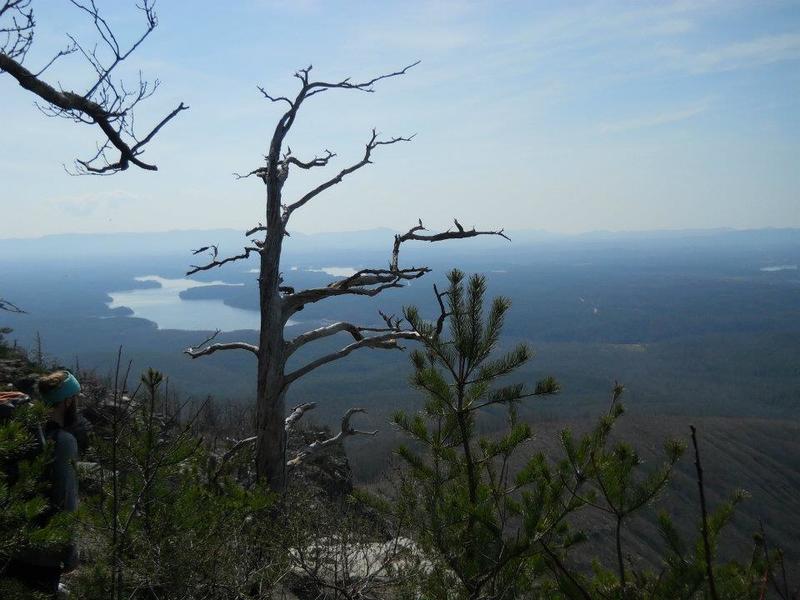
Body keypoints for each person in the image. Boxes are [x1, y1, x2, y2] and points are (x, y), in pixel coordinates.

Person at [5, 370, 81, 597]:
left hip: (9, 544)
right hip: (41, 552)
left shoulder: (21, 435)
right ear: (67, 401)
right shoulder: (63, 441)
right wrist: (70, 555)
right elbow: (65, 500)